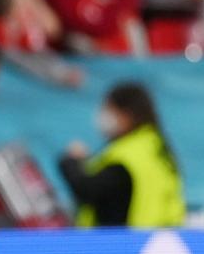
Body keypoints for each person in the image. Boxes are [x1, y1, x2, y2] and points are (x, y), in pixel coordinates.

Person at [58, 82, 186, 228]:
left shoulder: (128, 155)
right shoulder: (156, 147)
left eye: (108, 110)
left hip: (129, 244)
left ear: (126, 115)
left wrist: (71, 161)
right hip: (158, 241)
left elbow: (87, 189)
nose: (103, 117)